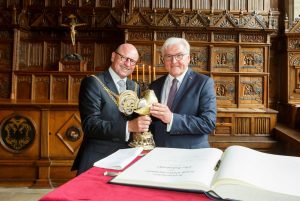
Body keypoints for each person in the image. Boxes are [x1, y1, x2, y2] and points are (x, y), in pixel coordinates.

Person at [72, 43, 152, 175]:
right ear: (113, 56)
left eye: (132, 61)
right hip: (98, 157)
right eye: (123, 58)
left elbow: (135, 120)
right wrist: (129, 127)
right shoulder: (93, 82)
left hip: (127, 157)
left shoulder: (134, 87)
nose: (127, 64)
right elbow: (90, 125)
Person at [149, 37, 216, 148]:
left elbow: (208, 123)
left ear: (188, 58)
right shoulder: (155, 85)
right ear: (163, 60)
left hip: (191, 153)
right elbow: (154, 122)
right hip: (160, 151)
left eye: (179, 56)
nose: (174, 61)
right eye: (168, 56)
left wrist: (172, 119)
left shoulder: (203, 83)